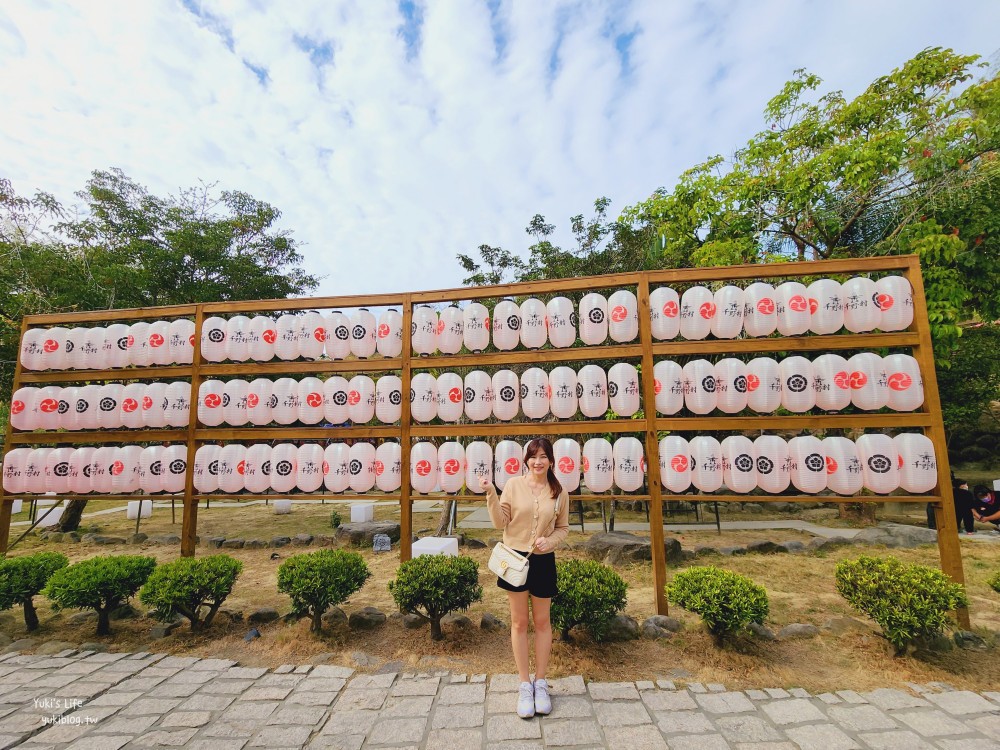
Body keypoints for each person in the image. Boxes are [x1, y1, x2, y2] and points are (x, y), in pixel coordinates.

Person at [480, 437, 570, 720]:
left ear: (551, 461)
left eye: (544, 456)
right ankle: (523, 684)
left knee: (543, 622)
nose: (538, 461)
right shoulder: (513, 485)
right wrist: (491, 494)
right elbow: (499, 522)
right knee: (519, 622)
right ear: (526, 460)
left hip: (542, 561)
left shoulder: (559, 491)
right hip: (514, 562)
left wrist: (551, 542)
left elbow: (563, 528)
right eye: (533, 456)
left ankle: (540, 683)